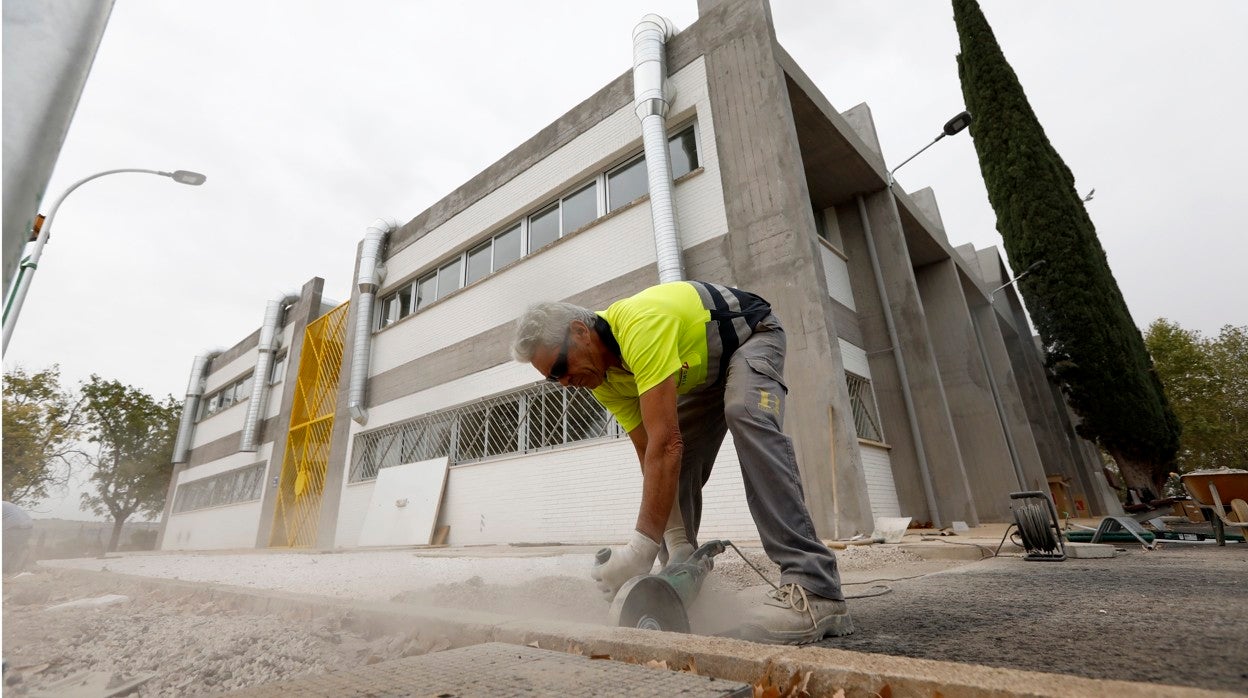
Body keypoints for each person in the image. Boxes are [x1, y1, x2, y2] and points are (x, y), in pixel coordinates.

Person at [511, 280, 853, 644]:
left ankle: (815, 586)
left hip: (753, 336)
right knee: (676, 464)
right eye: (552, 378)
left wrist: (638, 553)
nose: (564, 382)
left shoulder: (639, 326)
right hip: (706, 376)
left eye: (561, 366)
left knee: (744, 413)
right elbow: (651, 457)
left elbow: (665, 444)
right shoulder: (603, 380)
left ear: (580, 332)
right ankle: (679, 586)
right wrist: (677, 547)